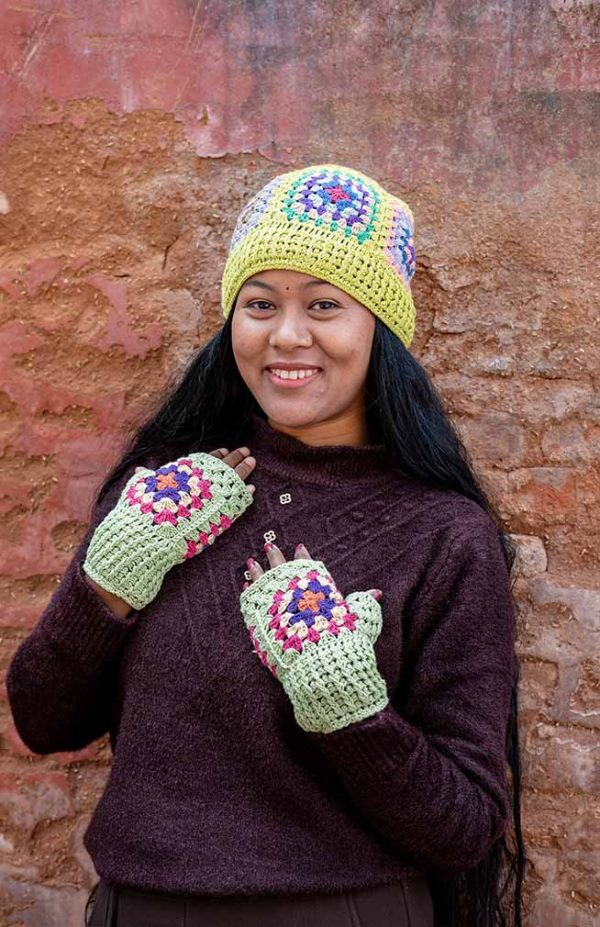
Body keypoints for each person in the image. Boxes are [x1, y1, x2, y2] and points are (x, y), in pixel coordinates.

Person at [6, 164, 525, 927]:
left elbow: (464, 829)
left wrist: (347, 706)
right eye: (260, 304)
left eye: (323, 304)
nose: (286, 335)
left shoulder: (443, 535)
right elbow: (41, 719)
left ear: (378, 329)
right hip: (141, 909)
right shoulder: (167, 497)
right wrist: (106, 582)